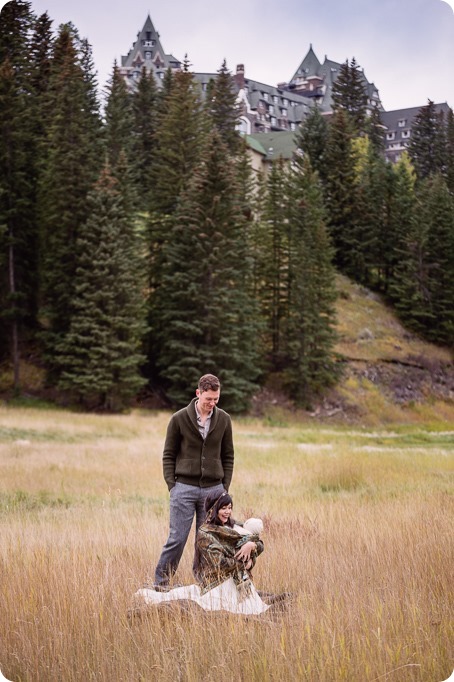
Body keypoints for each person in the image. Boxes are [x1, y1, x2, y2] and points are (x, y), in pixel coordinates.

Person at [153, 374, 234, 590]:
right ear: (198, 393)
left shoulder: (224, 419)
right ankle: (161, 584)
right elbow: (168, 454)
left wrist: (224, 487)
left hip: (213, 491)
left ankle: (206, 585)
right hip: (184, 488)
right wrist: (173, 486)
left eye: (216, 399)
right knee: (177, 538)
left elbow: (228, 455)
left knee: (207, 542)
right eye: (208, 398)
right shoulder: (178, 419)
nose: (212, 403)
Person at [136, 491, 270, 615]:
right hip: (219, 582)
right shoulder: (205, 533)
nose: (227, 512)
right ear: (213, 509)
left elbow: (258, 543)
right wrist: (244, 565)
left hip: (240, 580)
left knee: (255, 608)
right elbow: (219, 563)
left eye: (229, 507)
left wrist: (251, 545)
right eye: (223, 508)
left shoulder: (234, 526)